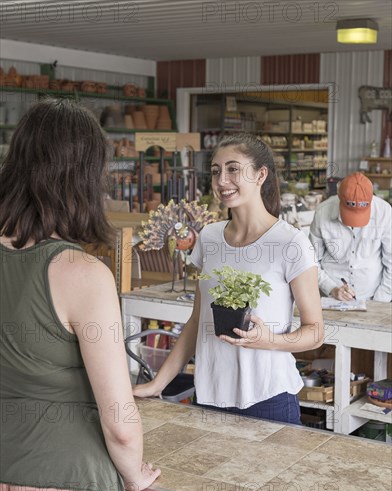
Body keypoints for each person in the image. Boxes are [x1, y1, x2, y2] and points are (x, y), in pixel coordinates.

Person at [0, 99, 160, 491]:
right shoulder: (82, 274)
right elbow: (119, 418)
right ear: (85, 177)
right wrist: (134, 470)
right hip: (66, 477)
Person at [134, 133, 324, 424]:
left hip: (268, 397)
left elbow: (315, 332)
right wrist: (157, 384)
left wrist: (269, 340)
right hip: (210, 396)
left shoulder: (291, 243)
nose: (222, 180)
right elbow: (197, 321)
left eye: (233, 169)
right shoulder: (209, 238)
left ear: (261, 175)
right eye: (215, 171)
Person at [309, 172, 391, 302]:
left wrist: (381, 299)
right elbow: (311, 261)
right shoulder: (322, 212)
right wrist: (332, 289)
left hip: (373, 296)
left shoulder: (385, 212)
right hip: (331, 297)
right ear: (339, 197)